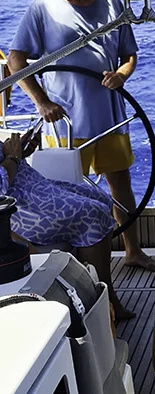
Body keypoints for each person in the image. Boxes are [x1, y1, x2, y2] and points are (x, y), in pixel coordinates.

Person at [8, 0, 155, 272]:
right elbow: (16, 62)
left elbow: (129, 55)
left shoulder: (112, 4)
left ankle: (133, 250)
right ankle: (76, 265)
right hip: (63, 125)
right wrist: (41, 102)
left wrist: (122, 74)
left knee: (120, 185)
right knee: (70, 195)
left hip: (110, 117)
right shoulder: (41, 10)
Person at [0, 128, 134, 320]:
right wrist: (12, 157)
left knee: (101, 198)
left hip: (32, 187)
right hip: (16, 208)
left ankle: (101, 293)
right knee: (92, 215)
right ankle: (96, 304)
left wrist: (21, 152)